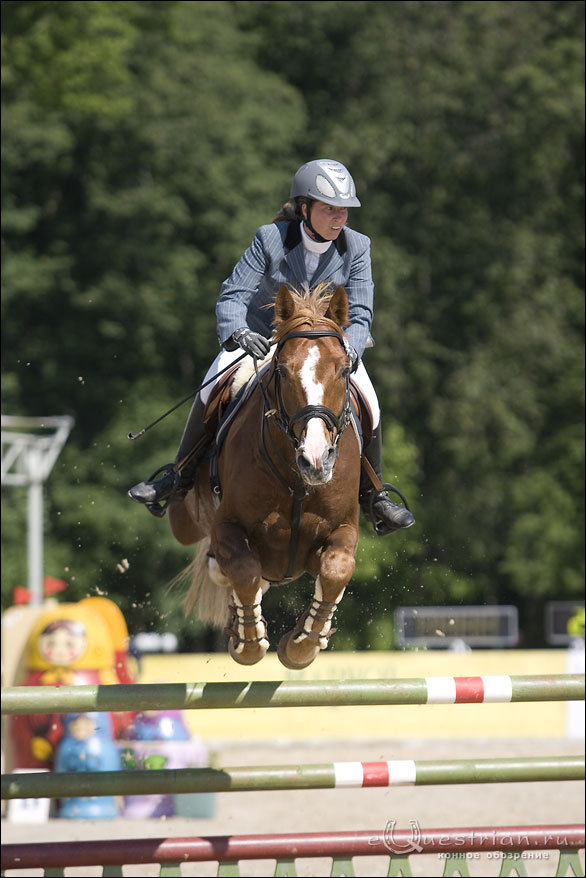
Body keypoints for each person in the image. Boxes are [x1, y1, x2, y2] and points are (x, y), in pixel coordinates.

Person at [129, 159, 415, 535]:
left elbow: (360, 313)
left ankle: (374, 494)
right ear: (304, 207)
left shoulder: (357, 247)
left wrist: (350, 349)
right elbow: (233, 295)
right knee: (217, 377)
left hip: (329, 346)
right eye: (330, 208)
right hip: (265, 339)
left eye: (344, 209)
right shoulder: (270, 239)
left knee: (369, 398)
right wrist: (238, 333)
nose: (339, 217)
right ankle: (178, 475)